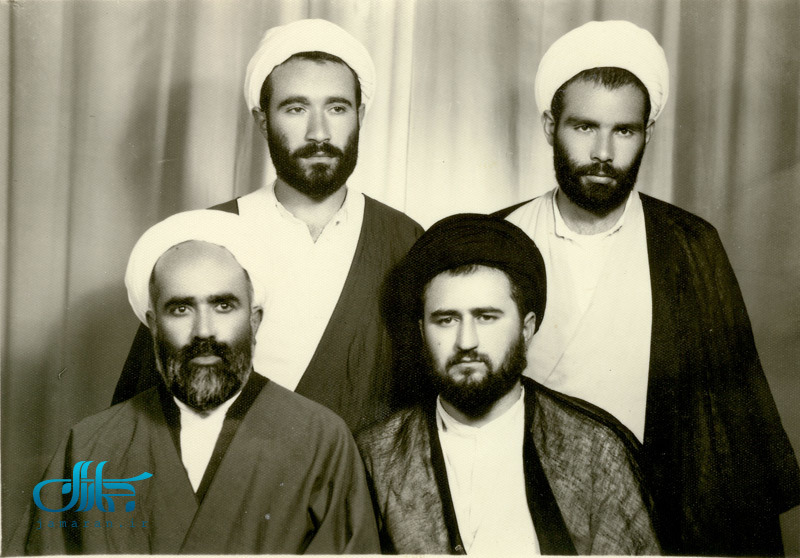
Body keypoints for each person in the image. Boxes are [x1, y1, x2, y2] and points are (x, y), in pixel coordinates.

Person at [495, 20, 800, 556]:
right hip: (522, 510)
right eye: (584, 127)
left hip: (654, 516)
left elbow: (731, 425)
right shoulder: (499, 237)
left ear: (648, 134)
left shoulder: (690, 244)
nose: (603, 151)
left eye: (624, 131)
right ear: (549, 126)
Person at [7, 210, 380, 555]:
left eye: (223, 306)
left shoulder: (321, 441)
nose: (204, 331)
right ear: (153, 325)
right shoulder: (89, 447)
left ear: (254, 321)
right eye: (181, 309)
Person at [113, 19, 423, 432]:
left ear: (360, 115)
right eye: (296, 109)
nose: (319, 132)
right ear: (263, 121)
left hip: (363, 473)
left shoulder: (406, 240)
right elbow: (138, 417)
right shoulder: (202, 239)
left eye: (337, 108)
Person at [357, 213, 661, 555]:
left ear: (526, 328)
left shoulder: (595, 450)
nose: (466, 341)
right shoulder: (375, 456)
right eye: (446, 320)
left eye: (486, 317)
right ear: (421, 331)